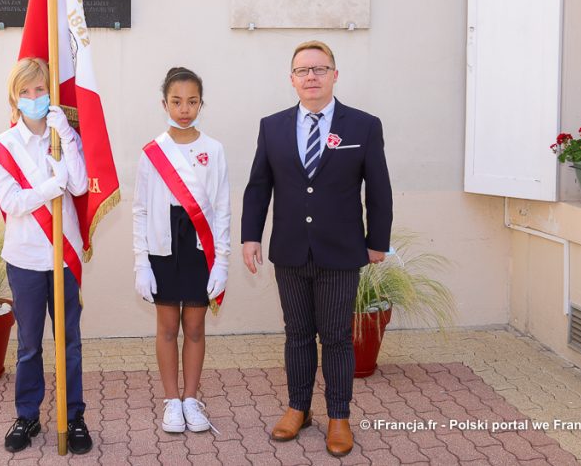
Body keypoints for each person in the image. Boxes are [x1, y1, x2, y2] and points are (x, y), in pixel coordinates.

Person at [241, 41, 392, 457]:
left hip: (342, 252)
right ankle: (298, 408)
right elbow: (259, 187)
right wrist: (250, 236)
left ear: (335, 75)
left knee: (338, 338)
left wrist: (377, 242)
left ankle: (339, 417)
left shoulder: (363, 126)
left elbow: (378, 188)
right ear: (291, 79)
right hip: (289, 251)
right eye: (303, 70)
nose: (311, 76)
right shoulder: (272, 126)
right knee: (297, 335)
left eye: (320, 69)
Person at [0, 57, 93, 455]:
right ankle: (27, 414)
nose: (34, 97)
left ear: (50, 93)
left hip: (63, 257)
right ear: (15, 96)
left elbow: (79, 186)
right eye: (25, 91)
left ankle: (73, 416)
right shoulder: (4, 146)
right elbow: (12, 202)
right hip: (26, 258)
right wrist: (50, 187)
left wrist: (65, 133)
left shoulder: (63, 136)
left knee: (70, 343)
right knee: (30, 343)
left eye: (40, 90)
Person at [132, 67, 230, 433]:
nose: (184, 108)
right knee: (168, 327)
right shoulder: (152, 153)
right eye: (176, 101)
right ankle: (172, 401)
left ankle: (192, 399)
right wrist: (141, 263)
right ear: (164, 104)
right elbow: (140, 210)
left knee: (195, 326)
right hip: (163, 246)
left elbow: (221, 209)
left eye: (192, 101)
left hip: (199, 247)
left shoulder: (214, 149)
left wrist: (221, 261)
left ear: (201, 103)